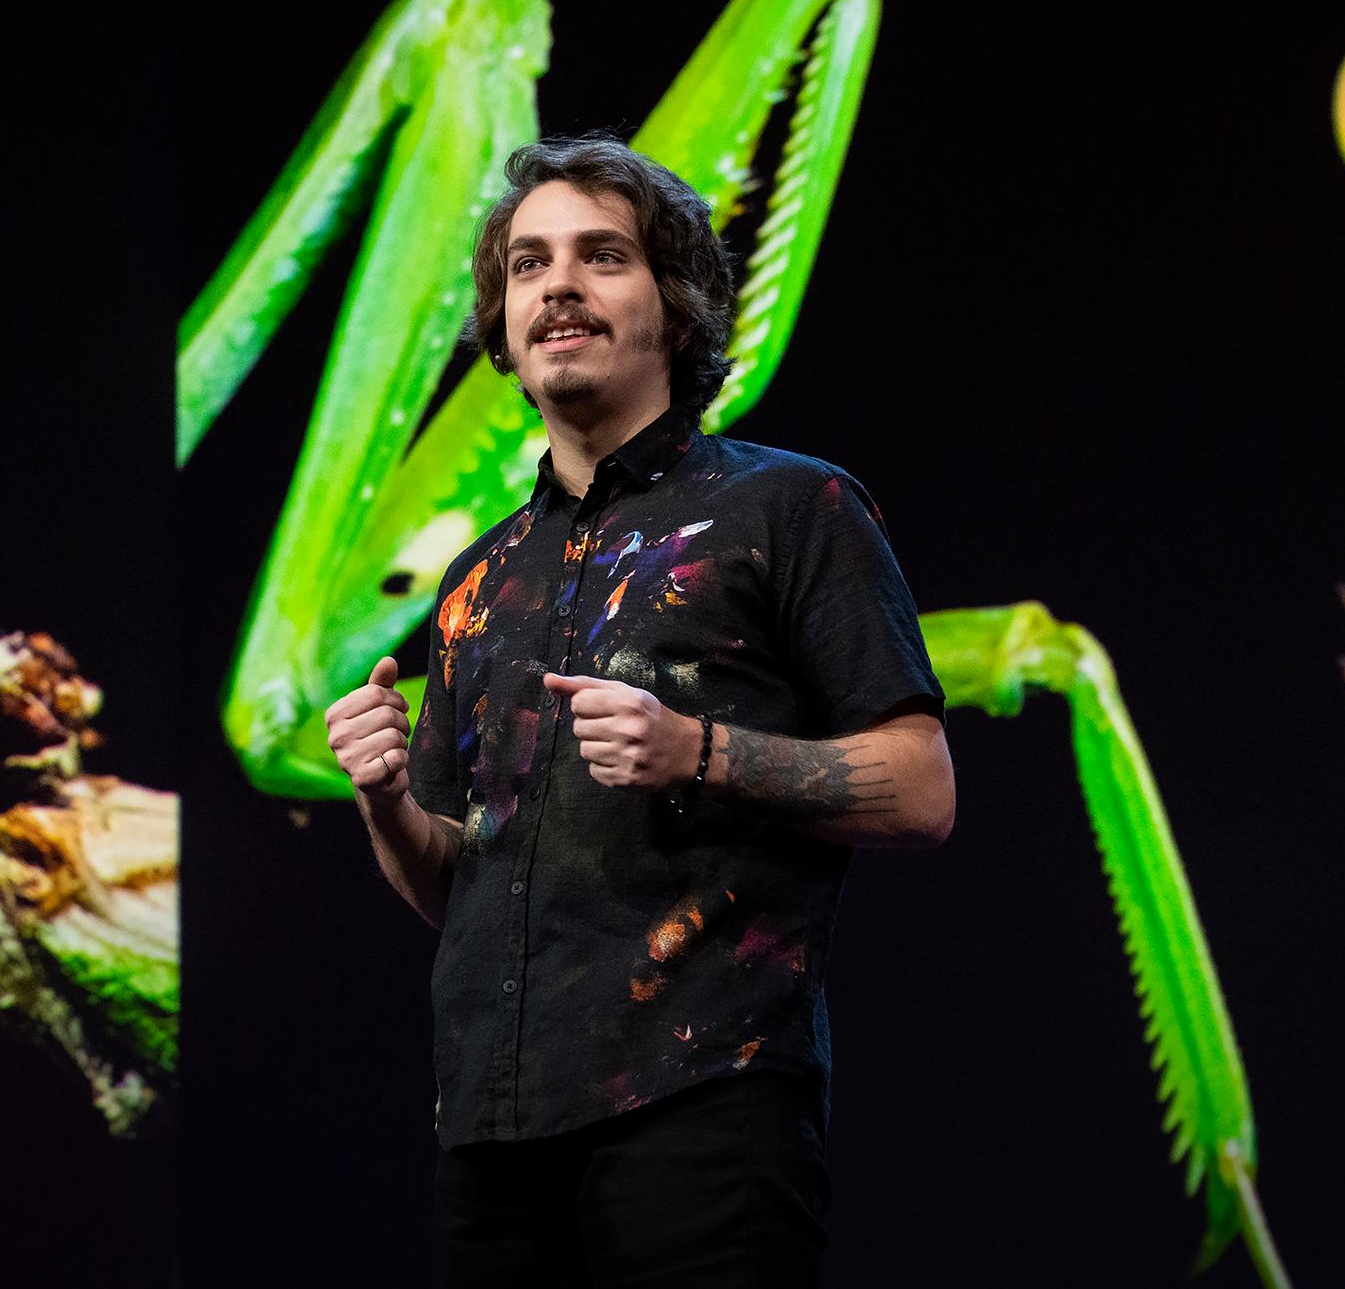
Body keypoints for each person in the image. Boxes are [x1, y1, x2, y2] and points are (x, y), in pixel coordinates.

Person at [325, 135, 954, 1287]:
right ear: (504, 332)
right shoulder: (473, 583)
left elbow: (921, 789)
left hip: (703, 1103)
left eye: (601, 256)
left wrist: (695, 750)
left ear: (676, 309)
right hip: (491, 1126)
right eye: (527, 265)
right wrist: (382, 802)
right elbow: (451, 884)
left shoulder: (789, 505)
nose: (556, 285)